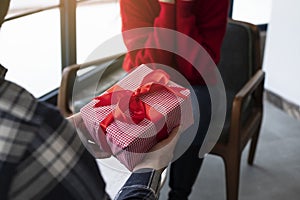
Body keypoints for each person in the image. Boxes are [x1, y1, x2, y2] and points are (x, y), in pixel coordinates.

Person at [0, 1, 180, 199]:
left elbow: (198, 64)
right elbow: (152, 62)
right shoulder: (34, 130)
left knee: (197, 106)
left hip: (186, 82)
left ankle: (180, 192)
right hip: (152, 78)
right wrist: (149, 168)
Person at [119, 0, 230, 199]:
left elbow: (197, 71)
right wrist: (168, 7)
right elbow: (147, 67)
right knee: (138, 108)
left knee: (201, 106)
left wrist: (182, 8)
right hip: (146, 72)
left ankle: (179, 193)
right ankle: (139, 190)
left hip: (193, 79)